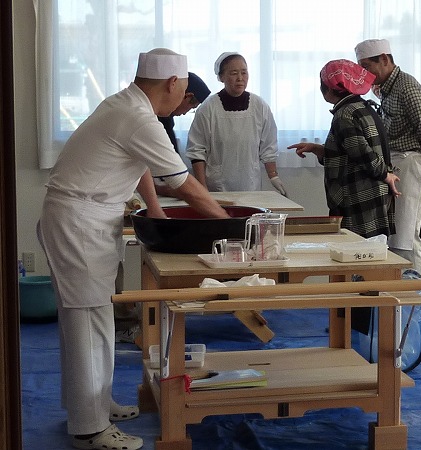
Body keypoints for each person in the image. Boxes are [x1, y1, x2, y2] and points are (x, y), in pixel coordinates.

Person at [37, 48, 229, 450]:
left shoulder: (127, 106)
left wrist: (155, 210)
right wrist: (230, 226)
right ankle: (89, 430)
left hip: (82, 218)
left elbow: (140, 163)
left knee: (88, 320)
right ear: (173, 83)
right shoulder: (138, 117)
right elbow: (184, 185)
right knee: (88, 321)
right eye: (183, 90)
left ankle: (90, 406)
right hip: (80, 223)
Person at [355, 39, 421, 275]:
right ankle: (399, 291)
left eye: (367, 67)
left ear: (384, 59)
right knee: (395, 238)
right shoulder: (386, 88)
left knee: (406, 238)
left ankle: (415, 293)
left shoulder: (407, 87)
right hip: (397, 164)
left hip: (411, 163)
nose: (365, 74)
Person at [289, 59, 399, 238]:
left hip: (357, 196)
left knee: (357, 250)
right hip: (373, 194)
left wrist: (385, 175)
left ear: (329, 88)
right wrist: (318, 149)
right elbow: (348, 152)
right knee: (373, 249)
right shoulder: (363, 107)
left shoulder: (344, 115)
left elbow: (362, 154)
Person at [186, 52, 286, 196]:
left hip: (250, 184)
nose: (240, 78)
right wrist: (202, 188)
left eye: (244, 72)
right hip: (217, 187)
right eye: (234, 73)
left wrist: (273, 176)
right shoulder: (208, 108)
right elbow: (197, 150)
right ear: (221, 77)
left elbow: (268, 145)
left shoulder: (259, 106)